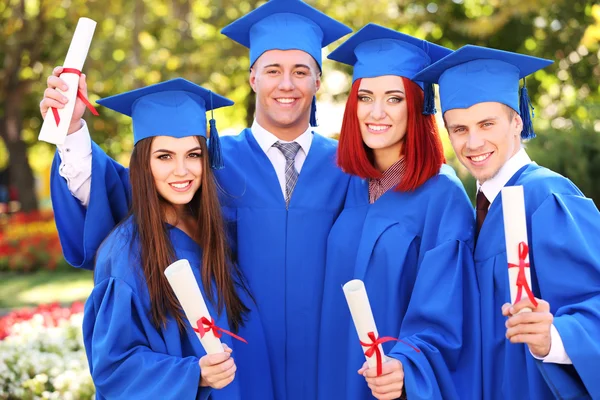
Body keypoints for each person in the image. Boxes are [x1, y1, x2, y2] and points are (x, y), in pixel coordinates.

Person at [40, 1, 352, 398]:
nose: (286, 84)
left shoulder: (349, 169)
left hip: (323, 373)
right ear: (253, 76)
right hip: (238, 377)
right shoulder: (219, 164)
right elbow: (128, 199)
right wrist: (71, 131)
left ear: (318, 82)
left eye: (300, 71)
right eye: (272, 70)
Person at [414, 45, 600, 399]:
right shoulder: (476, 213)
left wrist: (555, 337)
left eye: (487, 124)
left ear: (517, 121)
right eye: (459, 129)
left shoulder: (547, 196)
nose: (473, 142)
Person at [80, 78, 274, 400]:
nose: (182, 171)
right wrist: (194, 375)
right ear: (143, 164)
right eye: (165, 156)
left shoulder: (218, 230)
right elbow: (113, 368)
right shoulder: (125, 253)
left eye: (194, 154)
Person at [316, 24, 481, 400]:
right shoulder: (350, 187)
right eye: (365, 97)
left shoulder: (443, 195)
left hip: (393, 385)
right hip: (335, 378)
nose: (376, 112)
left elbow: (448, 312)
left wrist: (406, 364)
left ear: (418, 106)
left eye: (394, 98)